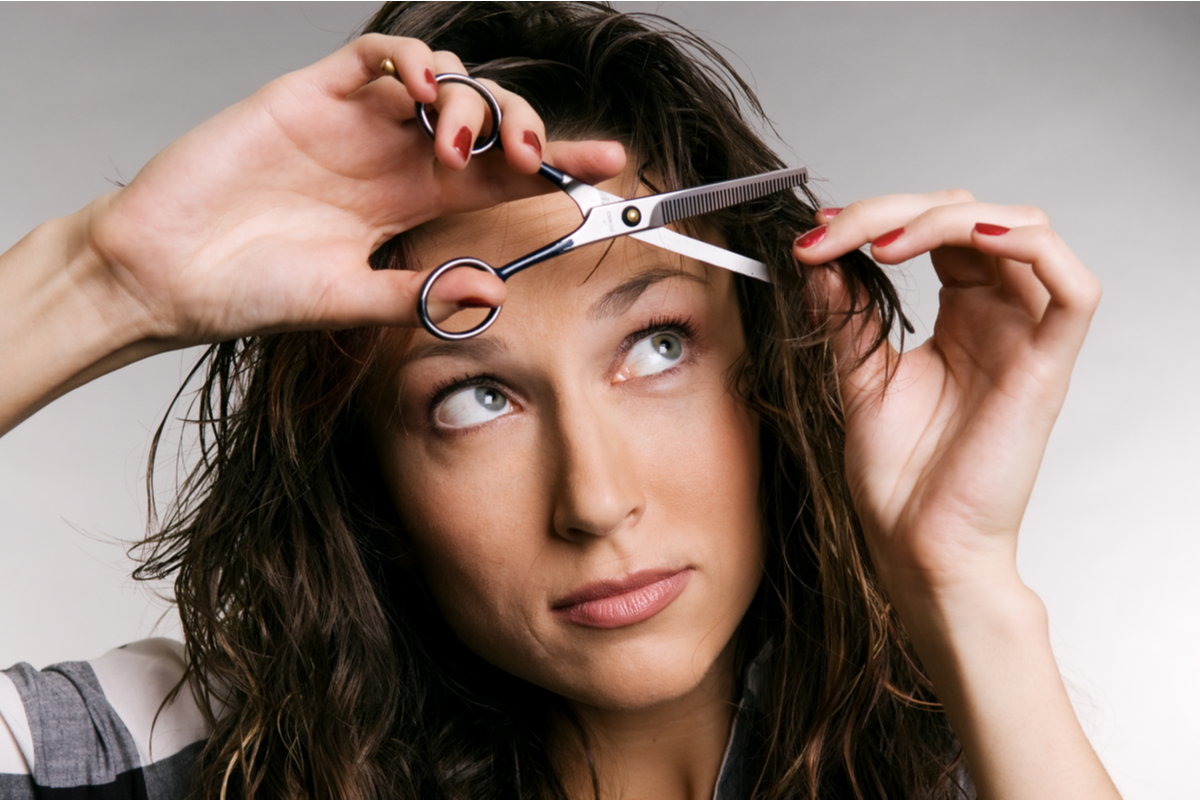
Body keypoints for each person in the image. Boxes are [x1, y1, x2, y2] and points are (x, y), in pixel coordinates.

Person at [0, 3, 1120, 799]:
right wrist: (100, 281)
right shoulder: (178, 752)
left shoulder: (985, 757)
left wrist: (962, 578)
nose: (594, 500)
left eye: (658, 342)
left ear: (778, 373)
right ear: (372, 477)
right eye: (473, 396)